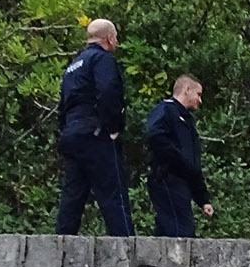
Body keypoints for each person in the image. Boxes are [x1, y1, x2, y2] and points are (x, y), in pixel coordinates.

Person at [54, 19, 134, 236]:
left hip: (72, 135)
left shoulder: (72, 66)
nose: (116, 42)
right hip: (96, 134)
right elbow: (108, 91)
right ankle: (126, 248)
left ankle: (61, 244)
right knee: (113, 193)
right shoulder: (102, 59)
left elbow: (63, 105)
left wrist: (66, 130)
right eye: (115, 38)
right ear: (109, 38)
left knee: (72, 196)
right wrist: (112, 127)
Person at [142, 74, 216, 238]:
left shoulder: (188, 122)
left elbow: (193, 165)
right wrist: (175, 159)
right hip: (167, 178)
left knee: (170, 230)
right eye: (198, 94)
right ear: (187, 90)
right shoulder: (166, 110)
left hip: (182, 183)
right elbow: (154, 136)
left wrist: (203, 199)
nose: (200, 100)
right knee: (181, 231)